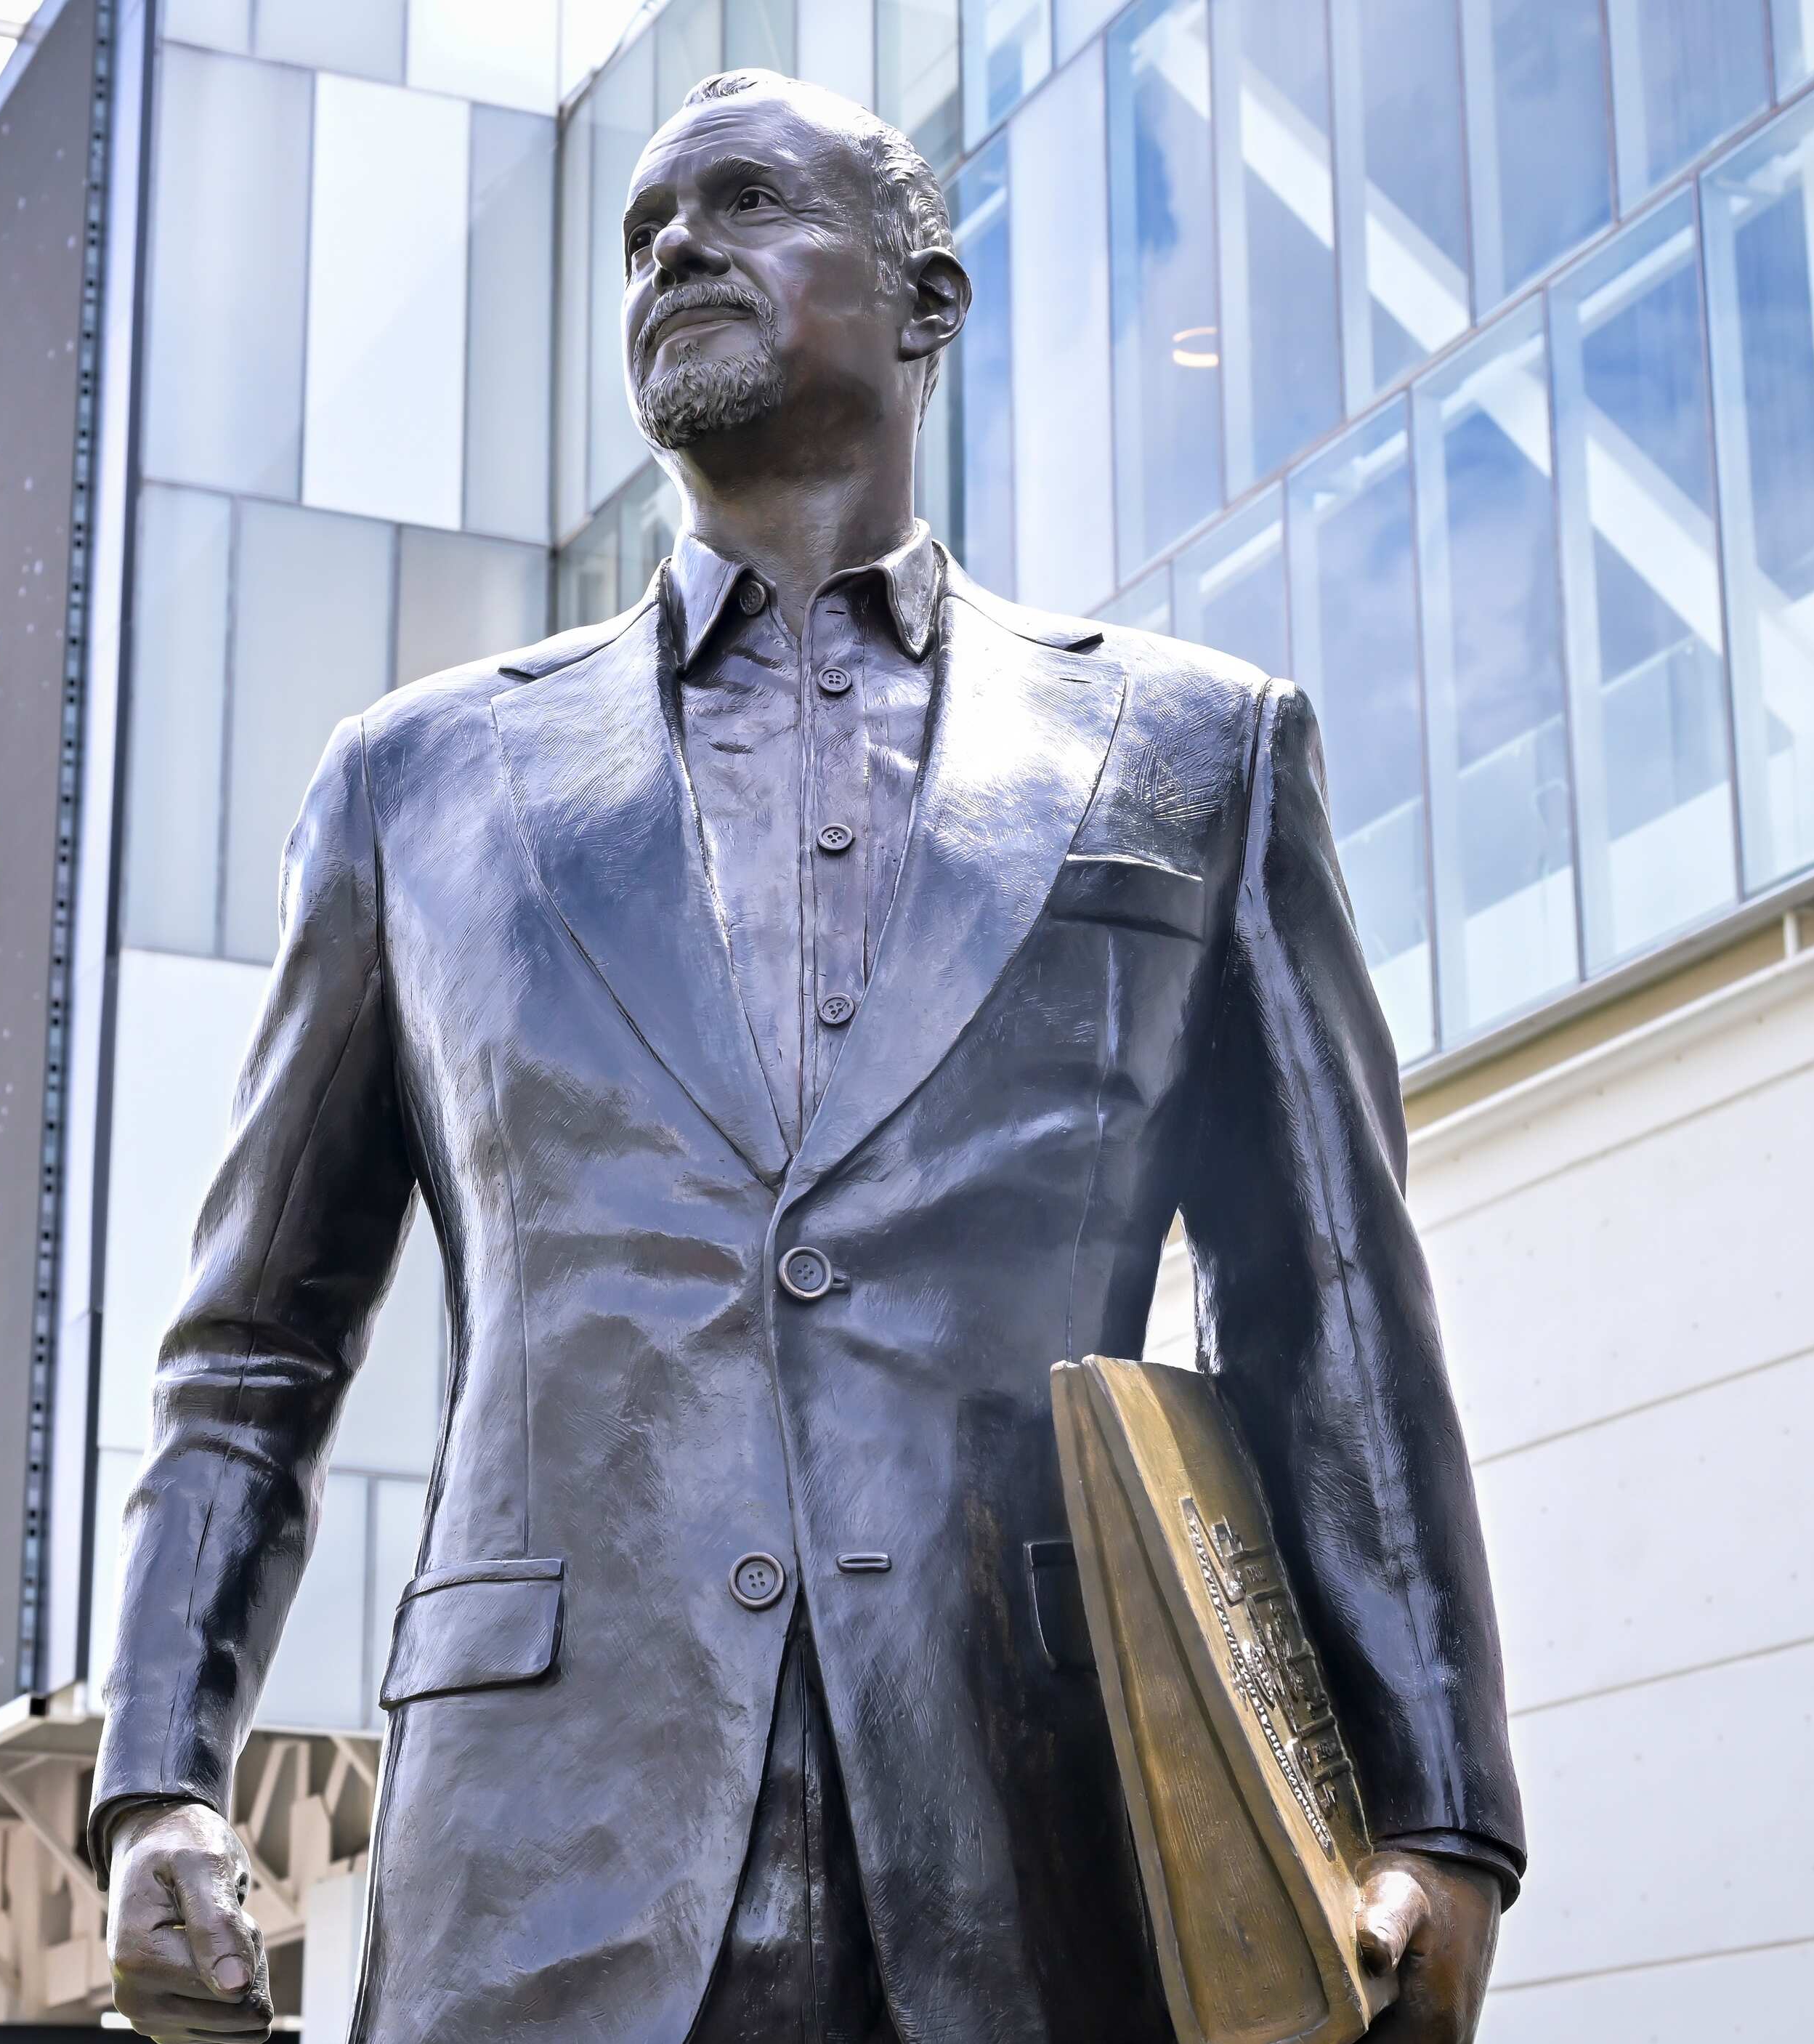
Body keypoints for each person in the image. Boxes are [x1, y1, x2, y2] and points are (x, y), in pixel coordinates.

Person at [87, 68, 1523, 2044]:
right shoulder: (412, 790)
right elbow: (252, 1346)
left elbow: (1330, 1309)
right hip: (542, 1856)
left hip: (1043, 1828)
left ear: (925, 301)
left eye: (746, 201)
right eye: (644, 227)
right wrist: (159, 1772)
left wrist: (1440, 1814)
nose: (674, 243)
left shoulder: (1197, 757)